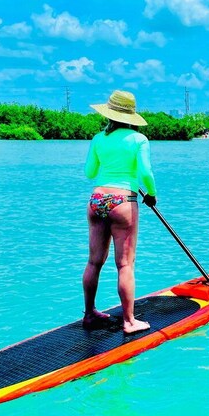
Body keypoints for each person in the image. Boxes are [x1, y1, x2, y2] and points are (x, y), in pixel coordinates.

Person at [82, 90, 158, 333]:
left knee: (94, 261)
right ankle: (129, 321)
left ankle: (90, 314)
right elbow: (145, 173)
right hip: (123, 200)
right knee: (125, 264)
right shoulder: (139, 140)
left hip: (97, 199)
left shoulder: (98, 138)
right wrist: (153, 195)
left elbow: (90, 173)